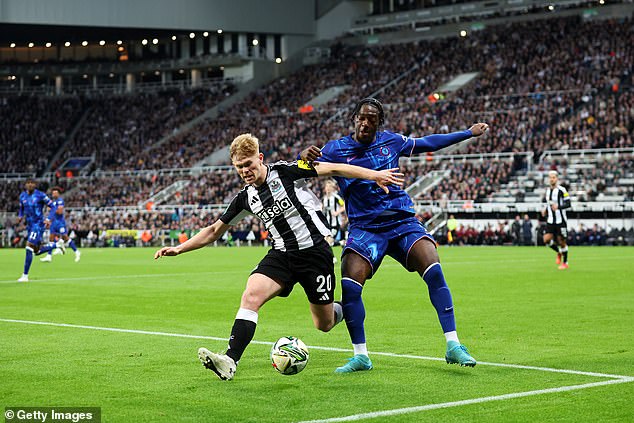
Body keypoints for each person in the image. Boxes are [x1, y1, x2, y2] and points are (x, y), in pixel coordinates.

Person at [153, 133, 404, 381]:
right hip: (281, 255)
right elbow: (213, 231)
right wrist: (180, 248)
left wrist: (375, 175)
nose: (245, 171)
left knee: (324, 324)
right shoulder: (245, 198)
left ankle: (344, 307)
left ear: (260, 158)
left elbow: (333, 168)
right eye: (239, 167)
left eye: (248, 164)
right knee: (251, 295)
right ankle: (230, 360)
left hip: (315, 254)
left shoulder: (287, 172)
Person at [300, 97, 489, 372]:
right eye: (361, 118)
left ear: (379, 123)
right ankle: (361, 356)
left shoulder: (392, 141)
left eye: (372, 119)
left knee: (434, 269)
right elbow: (303, 171)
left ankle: (453, 345)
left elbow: (428, 142)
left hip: (402, 221)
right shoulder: (335, 149)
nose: (365, 123)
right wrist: (304, 157)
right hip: (365, 228)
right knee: (350, 287)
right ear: (354, 119)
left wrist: (467, 134)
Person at [17, 179, 66, 282]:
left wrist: (48, 219)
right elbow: (21, 208)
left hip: (38, 224)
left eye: (32, 183)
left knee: (29, 246)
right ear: (25, 185)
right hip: (29, 225)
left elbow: (53, 206)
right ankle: (57, 245)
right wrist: (20, 216)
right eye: (28, 183)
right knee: (37, 251)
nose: (30, 185)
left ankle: (25, 275)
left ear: (35, 185)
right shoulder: (22, 196)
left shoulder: (40, 195)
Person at [40, 187, 81, 263]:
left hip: (60, 222)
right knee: (51, 238)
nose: (54, 194)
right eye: (53, 193)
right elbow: (51, 212)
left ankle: (77, 252)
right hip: (53, 222)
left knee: (65, 237)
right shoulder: (53, 202)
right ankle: (49, 256)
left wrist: (52, 209)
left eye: (55, 193)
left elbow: (60, 212)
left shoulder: (60, 201)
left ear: (58, 193)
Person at [541, 170, 571, 270]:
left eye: (553, 177)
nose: (552, 179)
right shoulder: (547, 191)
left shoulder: (562, 190)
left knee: (562, 241)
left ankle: (565, 263)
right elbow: (548, 203)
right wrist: (545, 209)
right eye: (550, 177)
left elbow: (568, 204)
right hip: (550, 220)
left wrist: (559, 207)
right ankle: (558, 252)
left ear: (557, 178)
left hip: (560, 220)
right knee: (546, 239)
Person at [322, 179, 346, 245]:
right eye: (327, 187)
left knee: (329, 241)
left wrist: (337, 212)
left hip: (335, 223)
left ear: (332, 188)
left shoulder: (336, 197)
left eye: (330, 187)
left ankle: (342, 242)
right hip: (327, 223)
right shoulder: (324, 198)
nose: (328, 189)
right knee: (326, 241)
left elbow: (344, 206)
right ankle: (342, 242)